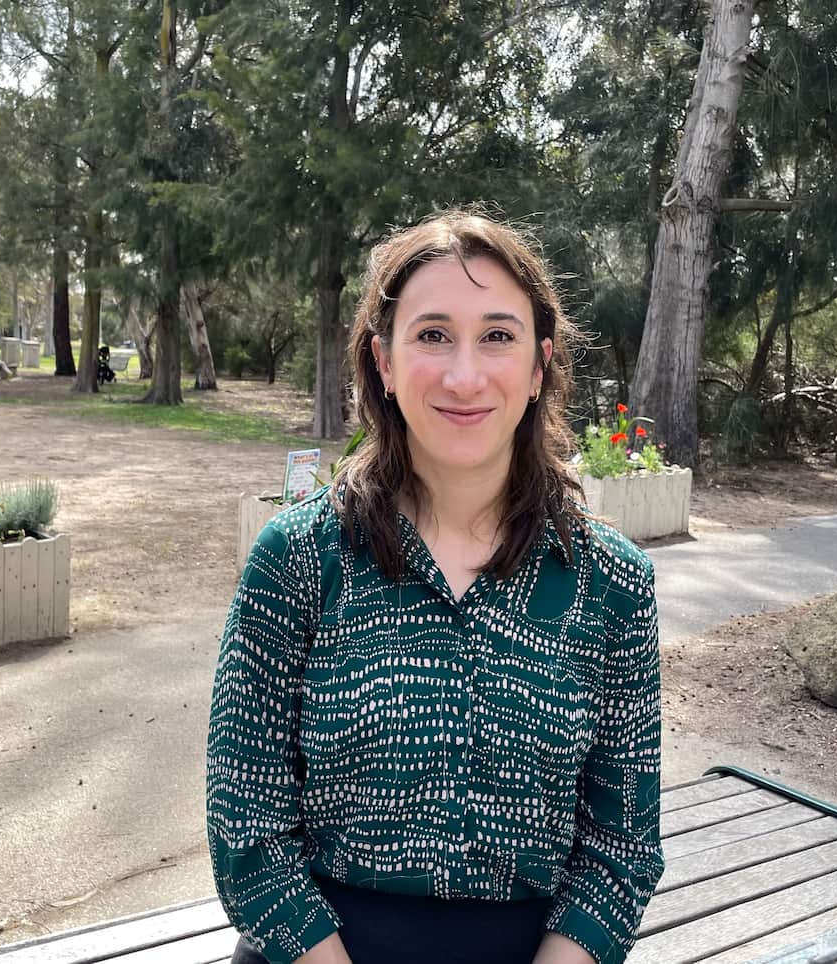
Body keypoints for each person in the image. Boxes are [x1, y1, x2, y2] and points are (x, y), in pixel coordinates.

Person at [206, 211, 663, 964]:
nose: (464, 374)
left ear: (540, 366)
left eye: (497, 335)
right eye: (432, 335)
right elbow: (244, 825)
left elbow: (622, 850)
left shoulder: (612, 585)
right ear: (382, 363)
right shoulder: (296, 560)